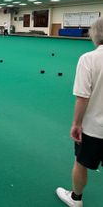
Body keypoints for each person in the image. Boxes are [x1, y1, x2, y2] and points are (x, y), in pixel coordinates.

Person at [56, 18, 103, 207]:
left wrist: (76, 124)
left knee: (81, 163)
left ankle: (76, 198)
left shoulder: (88, 59)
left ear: (95, 34)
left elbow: (82, 97)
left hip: (94, 129)